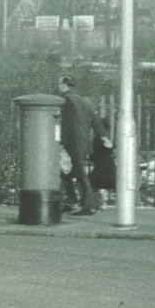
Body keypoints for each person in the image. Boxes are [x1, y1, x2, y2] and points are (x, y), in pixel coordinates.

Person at [57, 75, 109, 215]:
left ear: (64, 85)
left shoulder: (66, 101)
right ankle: (72, 201)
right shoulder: (85, 102)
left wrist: (62, 143)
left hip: (71, 142)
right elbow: (95, 121)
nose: (58, 86)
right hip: (84, 142)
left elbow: (68, 124)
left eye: (59, 83)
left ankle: (89, 205)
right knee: (67, 172)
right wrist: (104, 136)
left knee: (78, 172)